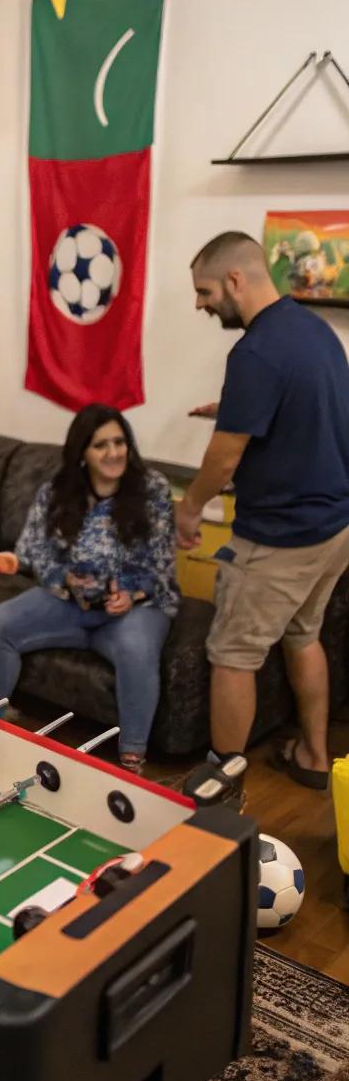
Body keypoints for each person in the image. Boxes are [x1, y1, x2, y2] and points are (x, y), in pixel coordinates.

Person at [177, 231, 349, 790]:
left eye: (204, 292)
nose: (200, 305)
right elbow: (305, 404)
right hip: (333, 530)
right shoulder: (315, 332)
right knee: (303, 635)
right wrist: (232, 409)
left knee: (233, 655)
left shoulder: (253, 352)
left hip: (281, 538)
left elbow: (224, 460)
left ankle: (222, 790)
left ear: (234, 279)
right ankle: (314, 757)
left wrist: (191, 508)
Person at [0, 405, 179, 772]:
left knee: (136, 647)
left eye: (120, 442)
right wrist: (65, 580)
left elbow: (162, 562)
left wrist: (131, 593)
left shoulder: (154, 489)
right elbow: (32, 551)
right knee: (1, 621)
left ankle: (132, 756)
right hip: (70, 601)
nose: (114, 452)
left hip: (137, 607)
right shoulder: (56, 490)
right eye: (101, 445)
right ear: (82, 453)